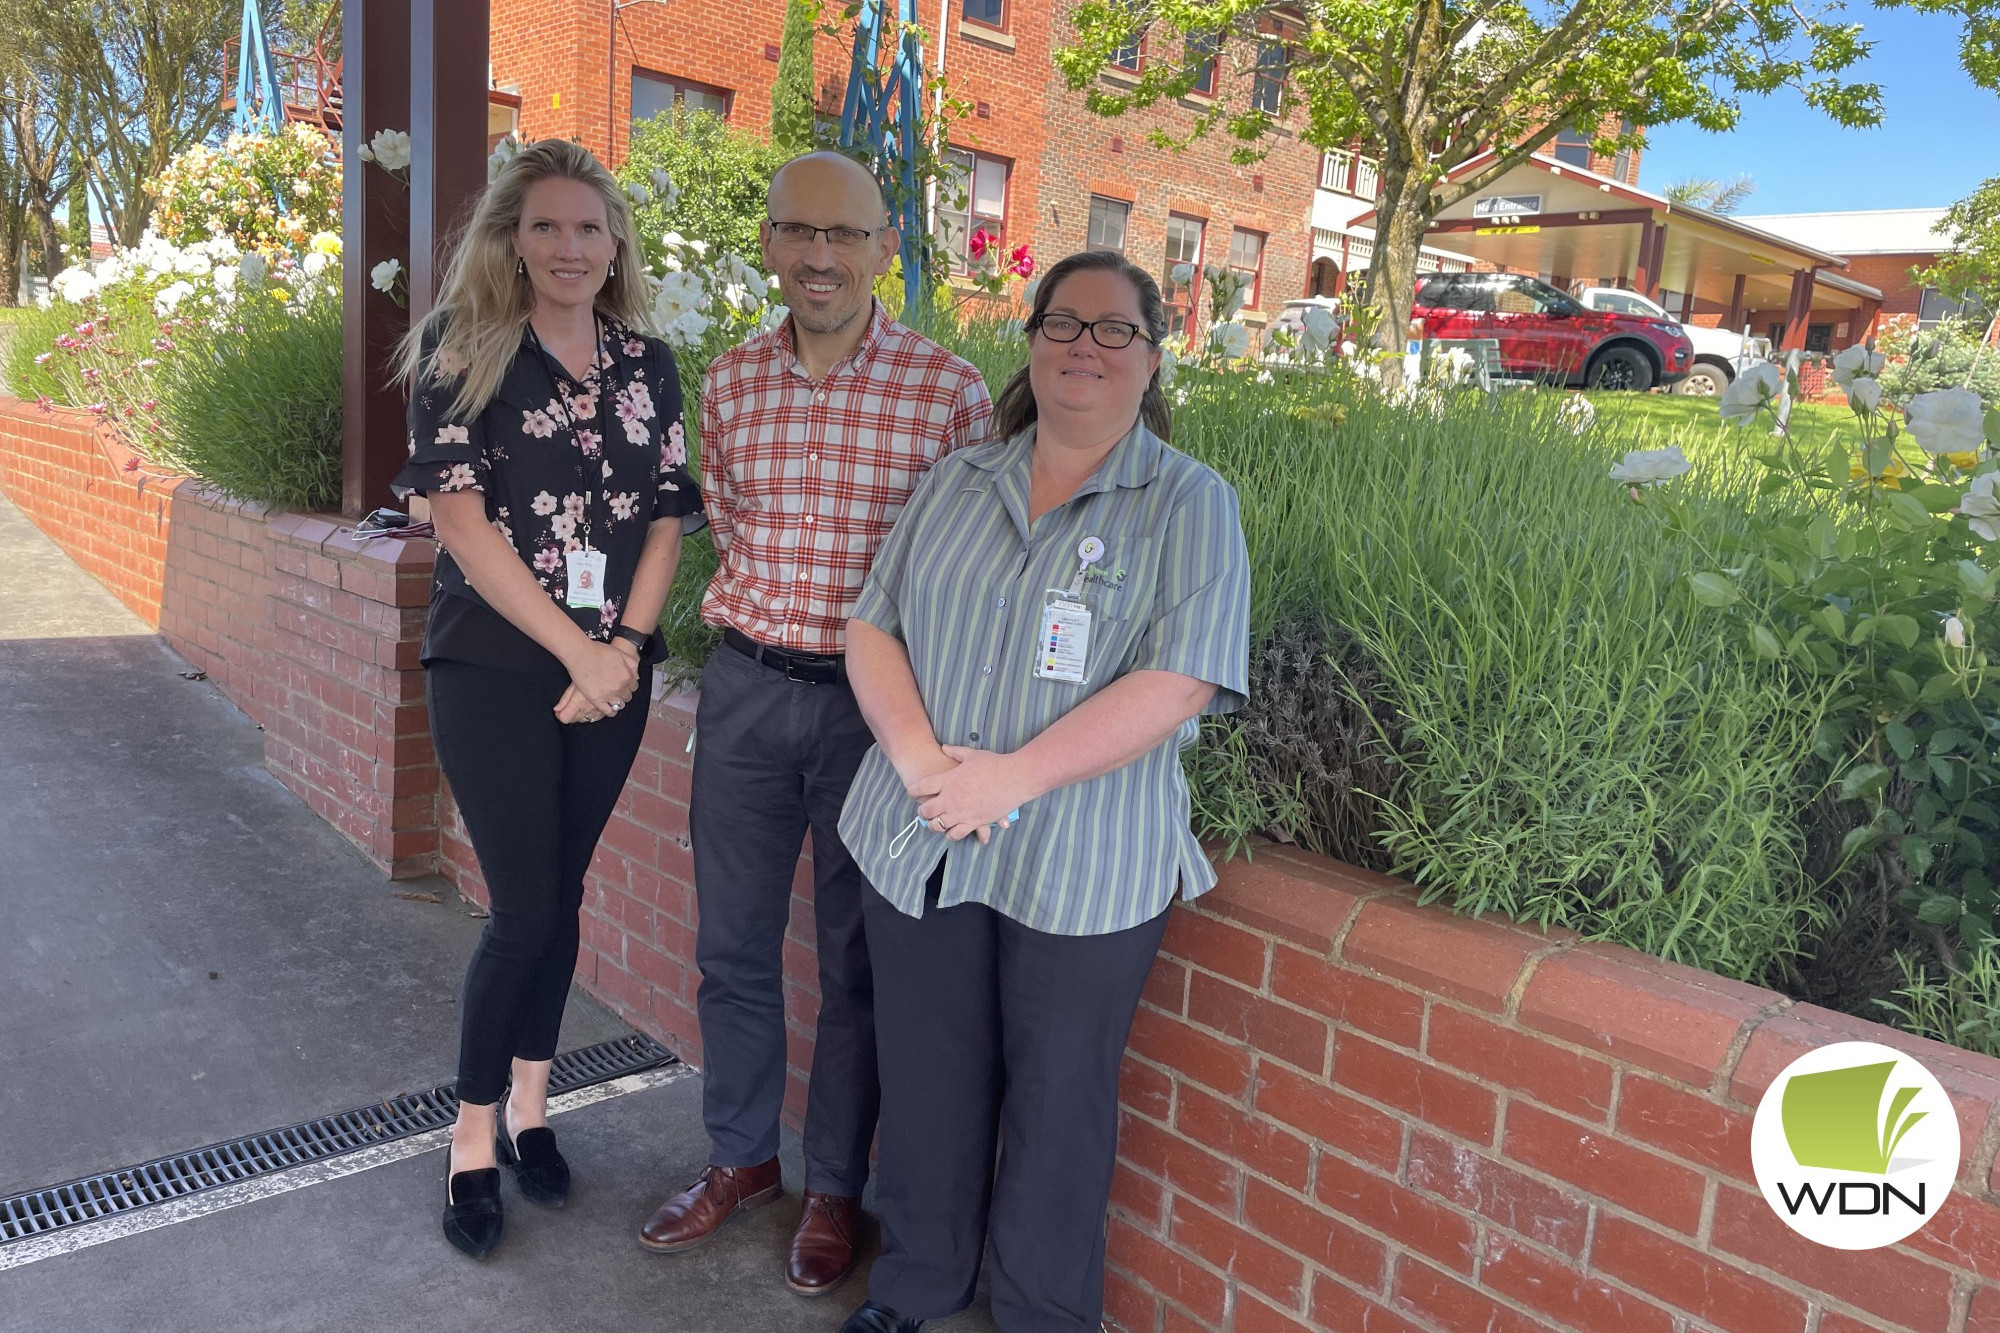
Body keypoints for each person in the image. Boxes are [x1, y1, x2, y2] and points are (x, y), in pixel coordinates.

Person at [832, 249, 1251, 1333]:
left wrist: (1011, 779)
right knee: (927, 1083)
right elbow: (872, 624)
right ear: (1029, 341)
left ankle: (1040, 1314)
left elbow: (1181, 676)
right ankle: (916, 1283)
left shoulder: (1189, 503)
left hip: (1084, 861)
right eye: (1063, 322)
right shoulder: (956, 481)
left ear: (1151, 359)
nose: (1084, 345)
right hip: (922, 835)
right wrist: (927, 767)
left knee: (1059, 1107)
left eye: (1114, 329)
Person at [636, 152, 992, 1296]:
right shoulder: (729, 381)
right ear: (770, 245)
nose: (820, 255)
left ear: (886, 249)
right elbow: (730, 527)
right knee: (731, 947)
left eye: (844, 235)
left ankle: (835, 1185)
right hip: (744, 692)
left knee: (853, 962)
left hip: (868, 714)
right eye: (798, 232)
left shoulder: (948, 393)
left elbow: (959, 568)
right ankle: (740, 1157)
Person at [393, 138, 702, 1260]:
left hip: (613, 665)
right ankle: (470, 1136)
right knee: (524, 906)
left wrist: (618, 647)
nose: (569, 247)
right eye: (546, 227)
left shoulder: (647, 365)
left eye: (589, 228)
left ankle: (535, 1108)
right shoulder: (462, 349)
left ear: (613, 243)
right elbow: (461, 524)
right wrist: (580, 652)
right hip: (496, 664)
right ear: (510, 239)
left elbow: (667, 516)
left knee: (563, 894)